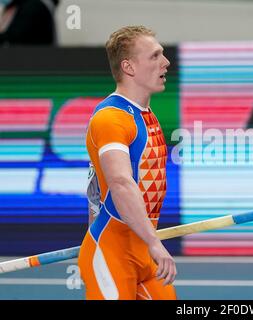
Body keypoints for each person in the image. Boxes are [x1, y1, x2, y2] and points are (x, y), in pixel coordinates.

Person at [78, 26, 177, 300]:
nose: (166, 62)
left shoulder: (146, 116)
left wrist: (149, 243)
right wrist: (154, 242)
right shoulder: (110, 118)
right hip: (113, 255)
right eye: (155, 56)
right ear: (129, 67)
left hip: (143, 252)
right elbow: (120, 183)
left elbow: (95, 183)